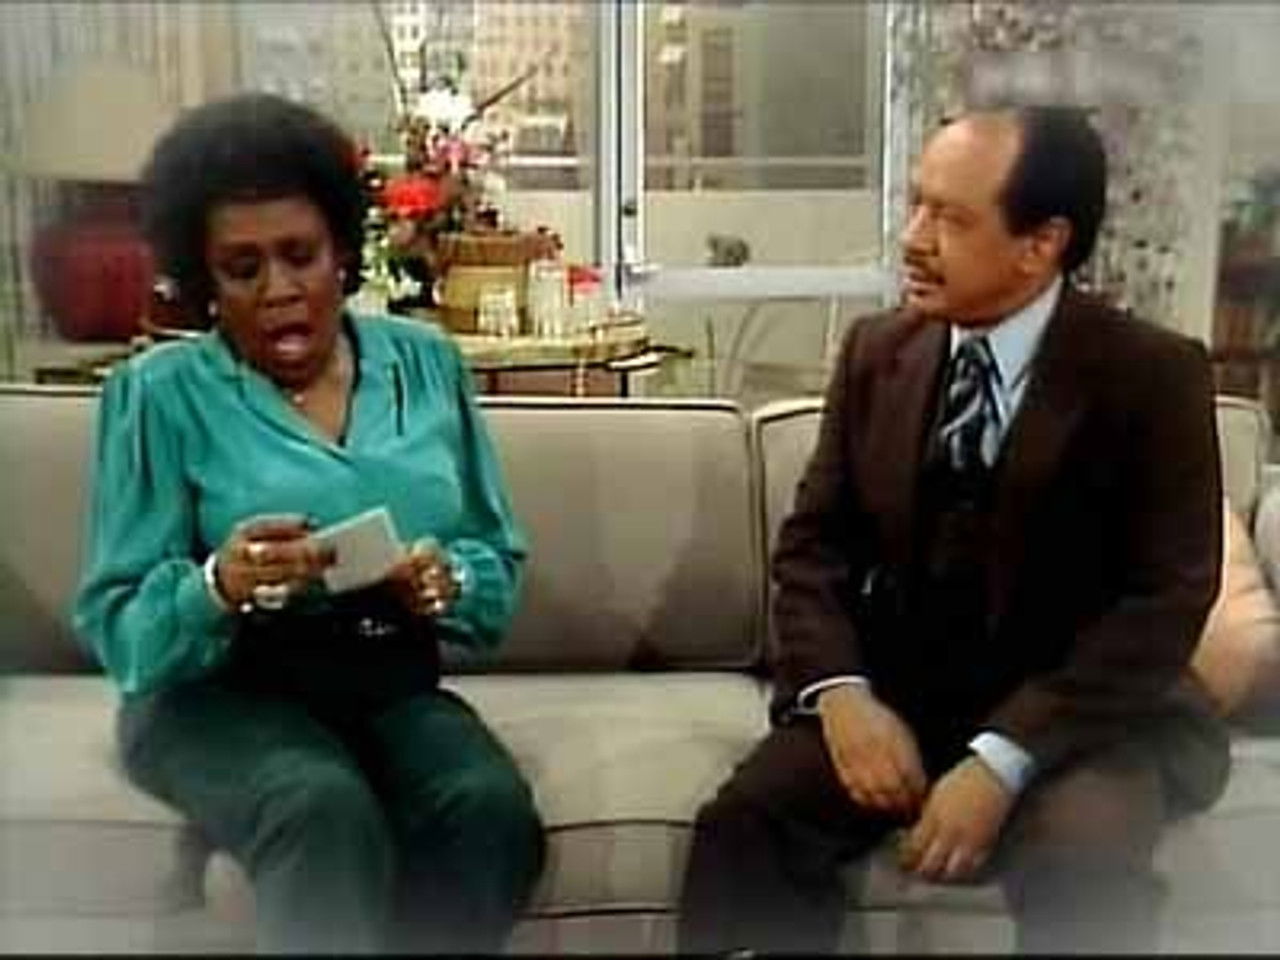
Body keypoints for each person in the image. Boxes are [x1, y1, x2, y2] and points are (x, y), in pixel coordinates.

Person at [676, 106, 1231, 954]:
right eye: (916, 205)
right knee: (744, 828)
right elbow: (812, 550)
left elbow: (1165, 603)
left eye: (951, 219)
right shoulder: (877, 352)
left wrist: (1005, 755)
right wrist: (843, 697)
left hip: (1085, 720)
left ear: (1041, 243)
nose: (913, 239)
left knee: (1084, 865)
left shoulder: (1152, 376)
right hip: (901, 696)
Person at [73, 92, 543, 955]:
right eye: (242, 268)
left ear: (342, 253)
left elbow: (494, 559)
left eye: (300, 255)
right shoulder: (156, 396)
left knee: (488, 811)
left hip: (386, 680)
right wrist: (218, 584)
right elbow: (121, 627)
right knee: (321, 809)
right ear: (204, 281)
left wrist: (447, 580)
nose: (279, 290)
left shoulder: (428, 367)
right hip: (214, 698)